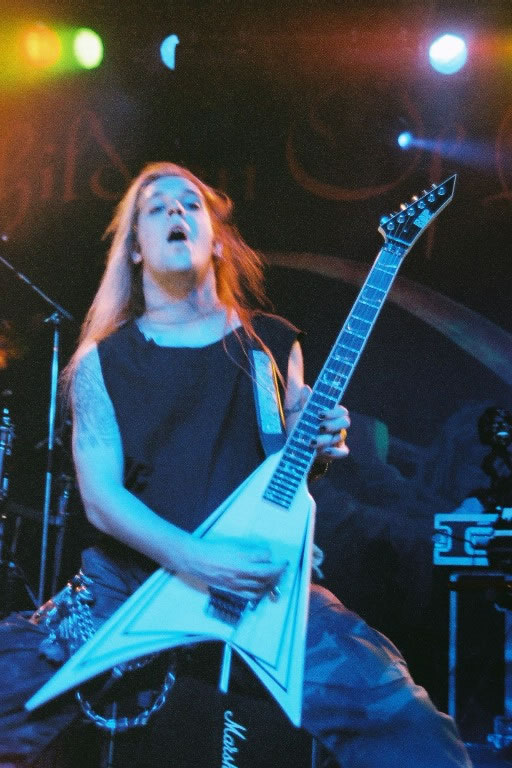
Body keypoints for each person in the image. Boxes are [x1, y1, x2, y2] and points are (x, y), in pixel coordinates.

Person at [0, 162, 472, 768]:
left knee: (407, 724)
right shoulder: (100, 361)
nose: (176, 211)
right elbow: (101, 500)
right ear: (136, 249)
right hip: (128, 586)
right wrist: (197, 559)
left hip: (261, 587)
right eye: (156, 207)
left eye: (190, 204)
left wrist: (322, 438)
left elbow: (293, 450)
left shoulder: (271, 343)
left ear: (217, 241)